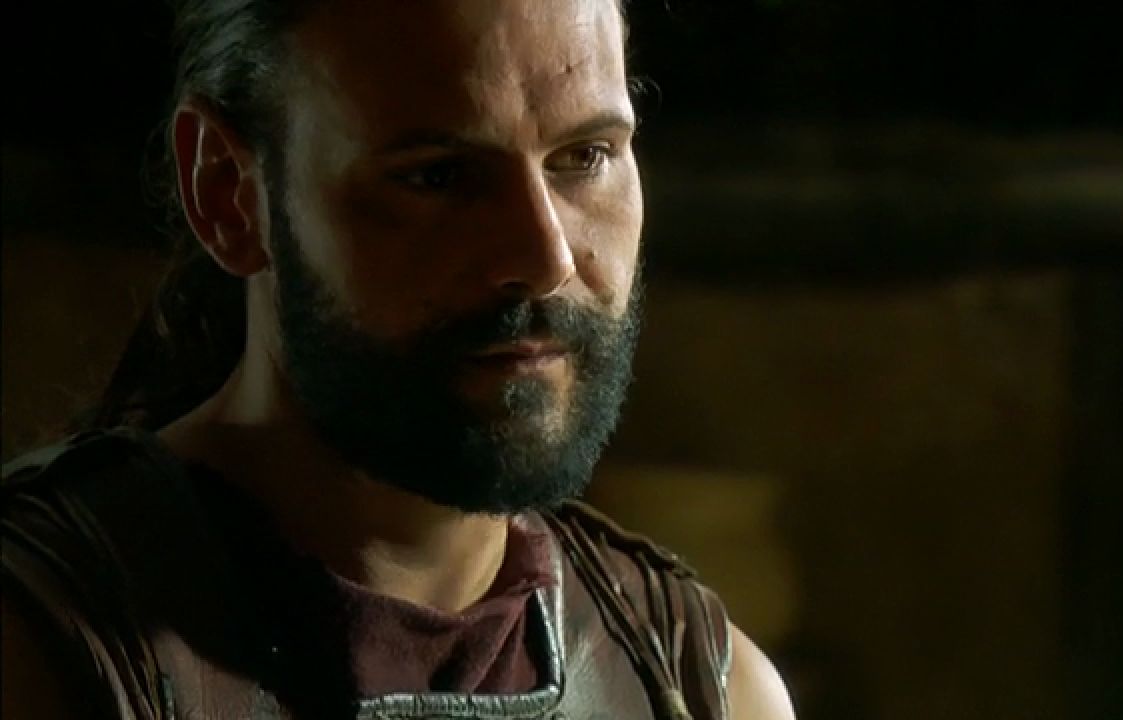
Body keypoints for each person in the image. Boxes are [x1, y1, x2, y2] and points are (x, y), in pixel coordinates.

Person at [0, 1, 796, 718]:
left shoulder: (703, 689)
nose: (544, 257)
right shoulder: (38, 647)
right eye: (438, 176)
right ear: (228, 193)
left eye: (584, 157)